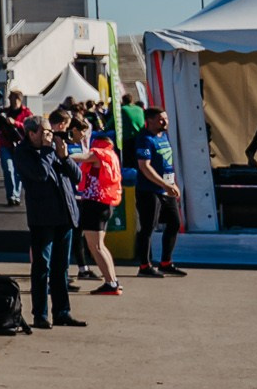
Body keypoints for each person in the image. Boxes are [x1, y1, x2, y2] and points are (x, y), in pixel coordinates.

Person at [6, 118, 82, 329]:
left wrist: (64, 156)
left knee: (62, 267)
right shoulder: (23, 152)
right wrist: (49, 152)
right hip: (43, 218)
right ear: (32, 134)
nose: (50, 136)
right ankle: (40, 314)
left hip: (64, 216)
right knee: (42, 266)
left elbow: (77, 177)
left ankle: (62, 311)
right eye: (46, 132)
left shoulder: (54, 152)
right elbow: (39, 174)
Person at [128, 107, 185, 278]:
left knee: (174, 223)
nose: (165, 122)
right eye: (161, 119)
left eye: (166, 118)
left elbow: (166, 163)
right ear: (150, 120)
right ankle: (145, 265)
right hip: (149, 190)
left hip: (166, 189)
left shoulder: (163, 136)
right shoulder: (144, 139)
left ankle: (166, 262)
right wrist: (164, 185)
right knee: (148, 227)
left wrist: (172, 185)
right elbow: (145, 167)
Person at [78, 129, 125, 295]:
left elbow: (80, 157)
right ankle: (113, 280)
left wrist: (60, 153)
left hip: (95, 204)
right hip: (104, 203)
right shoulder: (112, 155)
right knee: (100, 246)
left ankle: (111, 283)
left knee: (95, 246)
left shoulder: (99, 154)